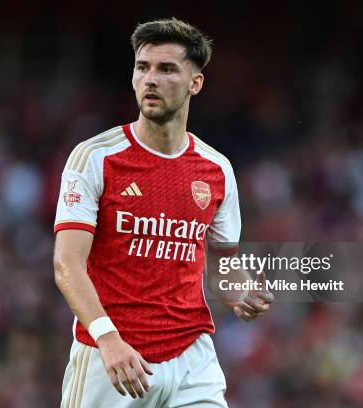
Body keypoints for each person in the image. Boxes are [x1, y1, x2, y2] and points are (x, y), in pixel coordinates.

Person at [53, 17, 274, 407]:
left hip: (193, 360)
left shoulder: (216, 168)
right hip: (113, 358)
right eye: (143, 67)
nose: (150, 79)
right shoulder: (95, 158)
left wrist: (241, 291)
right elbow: (67, 265)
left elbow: (223, 268)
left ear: (195, 83)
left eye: (166, 69)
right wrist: (108, 339)